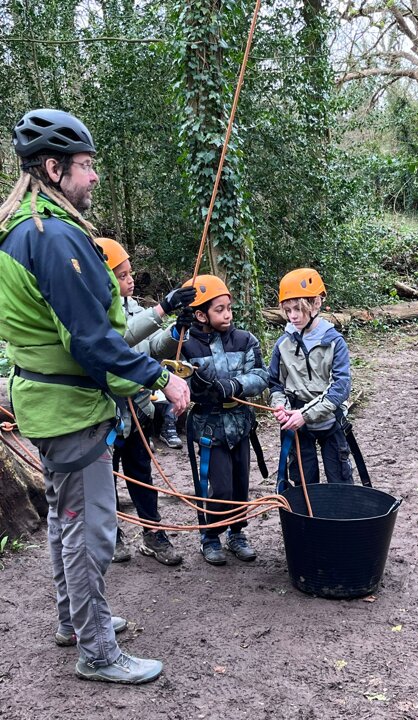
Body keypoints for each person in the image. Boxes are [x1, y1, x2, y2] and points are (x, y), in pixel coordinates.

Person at [0, 109, 190, 685]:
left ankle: (76, 621)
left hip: (49, 402)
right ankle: (98, 651)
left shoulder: (23, 228)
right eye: (85, 165)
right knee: (90, 530)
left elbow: (86, 331)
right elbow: (90, 341)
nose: (94, 176)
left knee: (65, 519)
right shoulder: (54, 238)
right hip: (72, 409)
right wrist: (160, 378)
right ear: (53, 168)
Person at [94, 237, 194, 565]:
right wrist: (163, 308)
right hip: (105, 414)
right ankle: (111, 534)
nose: (130, 280)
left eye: (130, 273)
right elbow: (117, 341)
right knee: (106, 478)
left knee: (141, 474)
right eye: (121, 276)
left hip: (137, 409)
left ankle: (153, 533)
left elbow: (150, 348)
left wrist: (174, 334)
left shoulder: (135, 309)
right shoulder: (92, 314)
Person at [179, 275, 269, 565]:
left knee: (240, 485)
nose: (228, 314)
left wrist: (235, 385)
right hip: (210, 429)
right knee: (220, 487)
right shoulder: (186, 345)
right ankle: (210, 536)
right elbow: (176, 381)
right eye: (219, 310)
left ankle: (237, 533)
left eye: (229, 308)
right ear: (201, 315)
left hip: (240, 425)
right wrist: (198, 386)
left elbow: (262, 375)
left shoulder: (245, 340)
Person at [269, 268, 354, 486]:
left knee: (341, 483)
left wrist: (305, 415)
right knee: (303, 485)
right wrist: (279, 405)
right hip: (297, 426)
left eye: (299, 308)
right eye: (288, 310)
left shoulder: (335, 342)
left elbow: (340, 388)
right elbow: (275, 384)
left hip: (330, 420)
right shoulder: (283, 343)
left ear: (316, 303)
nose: (293, 316)